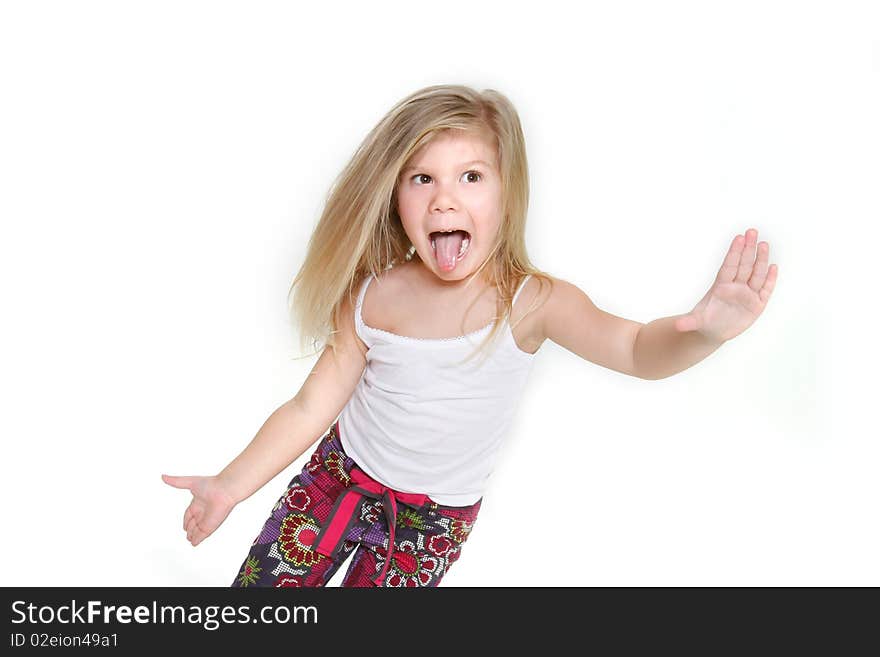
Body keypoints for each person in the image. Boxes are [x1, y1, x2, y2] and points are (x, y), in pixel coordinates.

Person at [162, 84, 779, 587]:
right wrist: (229, 486)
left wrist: (704, 335)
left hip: (431, 522)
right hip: (337, 481)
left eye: (471, 178)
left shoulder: (532, 302)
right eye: (422, 179)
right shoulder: (373, 294)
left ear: (507, 192)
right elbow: (307, 409)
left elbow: (636, 350)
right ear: (396, 197)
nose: (444, 201)